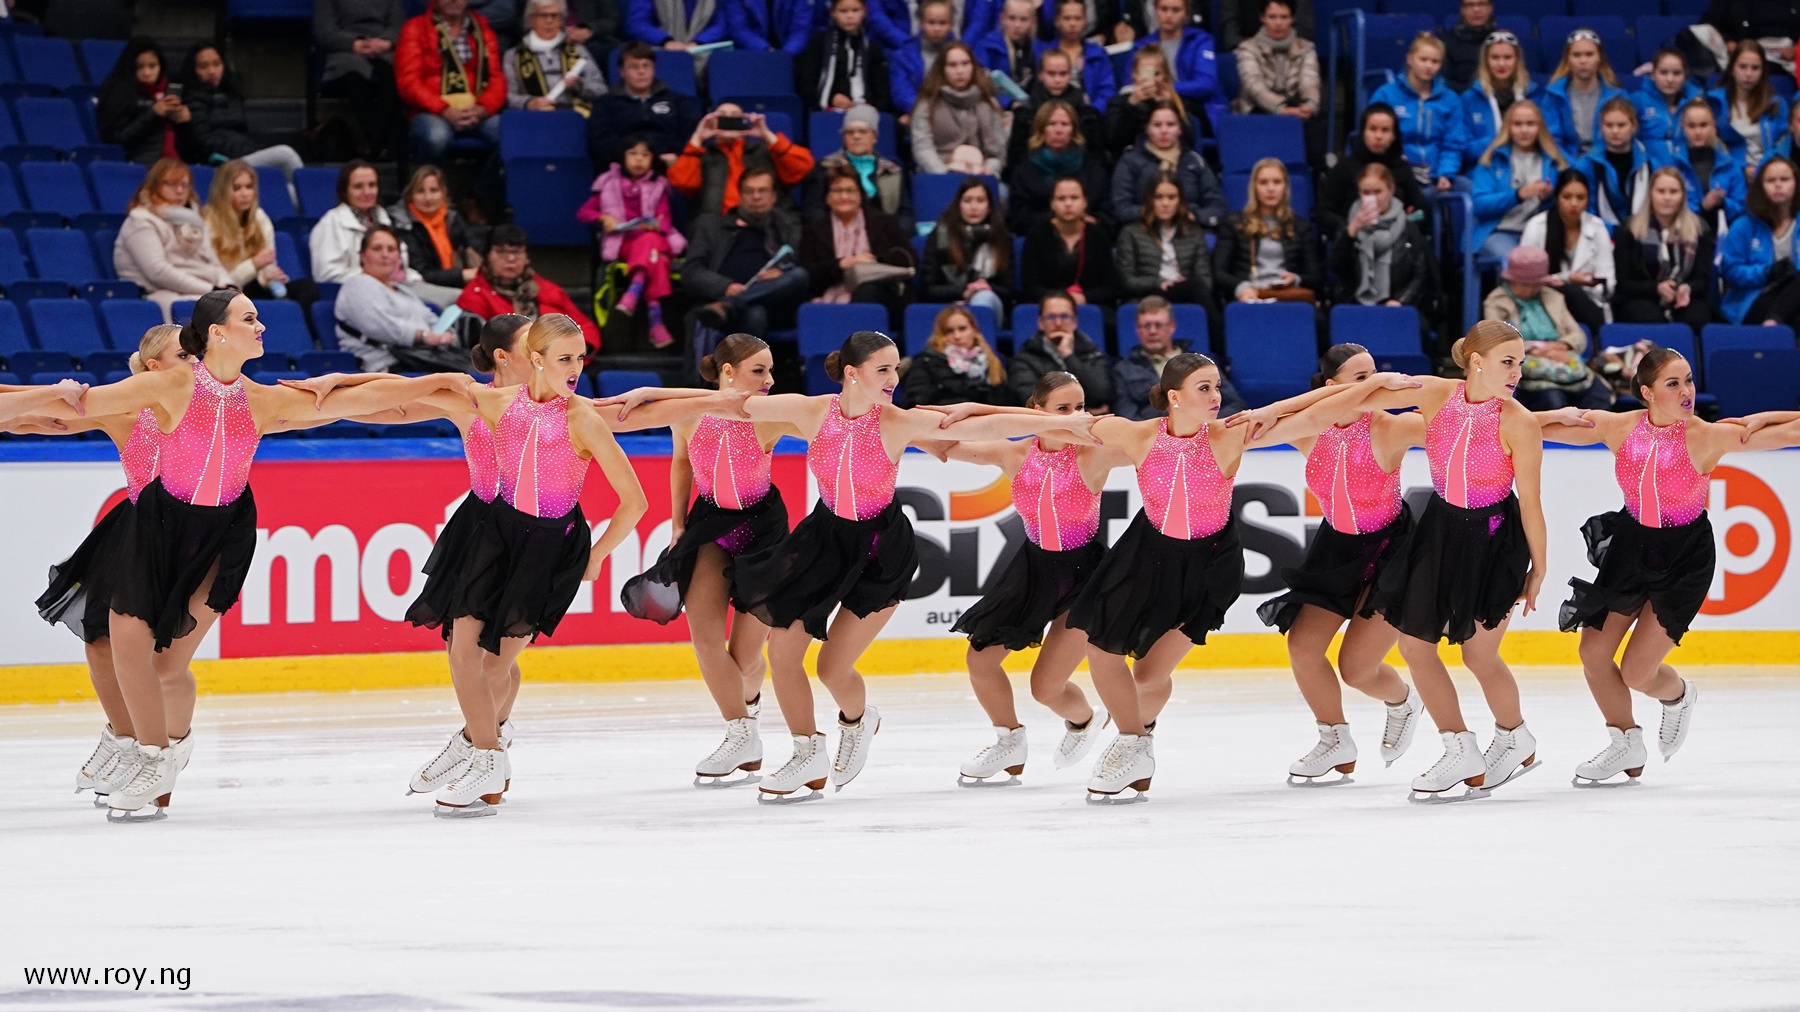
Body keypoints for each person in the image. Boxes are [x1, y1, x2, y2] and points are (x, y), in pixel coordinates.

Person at [59, 291, 470, 819]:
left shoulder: (261, 399)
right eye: (249, 319)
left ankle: (161, 752)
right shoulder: (172, 384)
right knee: (122, 642)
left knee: (166, 663)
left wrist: (438, 382)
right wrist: (60, 393)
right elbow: (77, 406)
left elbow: (361, 404)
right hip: (154, 529)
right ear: (217, 332)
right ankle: (150, 754)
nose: (262, 327)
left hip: (221, 538)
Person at [729, 331, 1095, 799]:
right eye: (883, 369)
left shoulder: (899, 421)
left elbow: (988, 429)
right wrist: (650, 395)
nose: (893, 379)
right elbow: (730, 403)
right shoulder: (811, 410)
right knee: (782, 651)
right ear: (852, 373)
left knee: (832, 668)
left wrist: (1056, 421)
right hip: (823, 541)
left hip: (880, 551)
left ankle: (857, 722)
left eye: (896, 368)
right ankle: (807, 752)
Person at [410, 314, 648, 815]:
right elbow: (407, 394)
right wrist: (334, 383)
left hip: (550, 549)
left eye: (580, 357)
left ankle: (477, 745)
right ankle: (486, 754)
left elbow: (634, 502)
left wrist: (597, 556)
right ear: (536, 360)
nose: (576, 368)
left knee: (494, 663)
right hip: (496, 534)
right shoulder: (498, 402)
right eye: (565, 358)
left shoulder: (584, 418)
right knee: (462, 651)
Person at [1549, 355, 1800, 784]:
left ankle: (1679, 696)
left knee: (1637, 672)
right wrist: (1529, 415)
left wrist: (1768, 415)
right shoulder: (1618, 427)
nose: (1686, 392)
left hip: (1684, 558)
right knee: (1592, 653)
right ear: (1646, 392)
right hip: (1630, 547)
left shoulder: (1706, 436)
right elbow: (1527, 427)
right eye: (1672, 383)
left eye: (1688, 381)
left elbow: (1793, 432)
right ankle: (1625, 742)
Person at [1351, 322, 1551, 801]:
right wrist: (1274, 412)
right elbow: (1353, 399)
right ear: (1476, 361)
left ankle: (1515, 737)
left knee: (1478, 654)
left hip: (1495, 539)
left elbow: (1531, 502)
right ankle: (1459, 746)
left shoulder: (1519, 421)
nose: (1517, 372)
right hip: (1440, 530)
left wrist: (1540, 568)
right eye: (1508, 362)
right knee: (1413, 644)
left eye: (1521, 363)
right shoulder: (1435, 394)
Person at [1226, 348, 1429, 782]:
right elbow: (1241, 437)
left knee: (1357, 670)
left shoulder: (1391, 427)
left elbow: (1472, 427)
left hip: (1391, 551)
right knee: (1302, 646)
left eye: (1375, 375)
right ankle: (1335, 740)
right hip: (1337, 549)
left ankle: (1403, 701)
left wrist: (1541, 420)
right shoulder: (1310, 430)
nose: (1374, 385)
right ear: (1332, 387)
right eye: (1361, 378)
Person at [1066, 353, 1248, 801]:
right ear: (1174, 397)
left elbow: (1310, 415)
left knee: (1148, 675)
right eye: (1204, 387)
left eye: (1217, 386)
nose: (1216, 396)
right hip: (1148, 554)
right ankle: (1134, 743)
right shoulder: (1138, 434)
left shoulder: (1228, 435)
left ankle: (1138, 734)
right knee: (1100, 648)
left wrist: (1364, 389)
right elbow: (1058, 423)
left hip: (1211, 566)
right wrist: (974, 409)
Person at [932, 372, 1124, 784]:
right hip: (1033, 571)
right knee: (980, 660)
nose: (1076, 417)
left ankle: (1085, 719)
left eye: (1080, 407)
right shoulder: (1014, 454)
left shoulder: (1094, 454)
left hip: (1087, 577)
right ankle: (1009, 741)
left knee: (1045, 688)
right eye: (1063, 409)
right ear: (1035, 412)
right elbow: (944, 441)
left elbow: (1152, 442)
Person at [577, 136, 686, 348]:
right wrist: (603, 217)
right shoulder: (608, 183)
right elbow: (583, 213)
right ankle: (656, 322)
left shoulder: (659, 185)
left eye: (645, 155)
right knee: (659, 261)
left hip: (656, 240)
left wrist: (657, 226)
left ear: (652, 159)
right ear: (623, 157)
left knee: (650, 239)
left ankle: (633, 293)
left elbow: (665, 220)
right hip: (625, 244)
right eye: (633, 154)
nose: (639, 159)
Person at [310, 160, 465, 307]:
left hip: (400, 285)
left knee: (463, 298)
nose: (367, 192)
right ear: (345, 191)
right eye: (358, 187)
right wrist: (374, 277)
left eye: (372, 185)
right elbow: (326, 274)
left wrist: (415, 278)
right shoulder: (330, 223)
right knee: (456, 301)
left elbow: (400, 264)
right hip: (364, 294)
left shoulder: (382, 217)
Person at [681, 168, 811, 338]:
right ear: (740, 196)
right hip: (725, 311)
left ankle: (728, 305)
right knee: (756, 313)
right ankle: (732, 307)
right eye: (749, 191)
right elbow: (691, 272)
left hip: (775, 305)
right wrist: (725, 286)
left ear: (773, 196)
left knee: (799, 275)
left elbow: (803, 264)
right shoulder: (711, 227)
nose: (756, 197)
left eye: (762, 191)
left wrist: (780, 274)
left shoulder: (787, 228)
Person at [1481, 246, 1610, 411]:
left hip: (1561, 356)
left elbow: (1577, 334)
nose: (1531, 288)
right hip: (1524, 362)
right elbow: (1496, 341)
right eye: (1525, 283)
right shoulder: (1496, 302)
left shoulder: (1553, 297)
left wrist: (1563, 345)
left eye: (1536, 284)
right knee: (1553, 399)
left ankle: (1592, 429)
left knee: (1598, 393)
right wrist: (1536, 350)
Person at [338, 227, 474, 372]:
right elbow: (380, 326)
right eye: (377, 248)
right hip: (387, 366)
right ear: (363, 255)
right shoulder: (357, 285)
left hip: (425, 358)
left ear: (398, 257)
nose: (385, 255)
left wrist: (447, 335)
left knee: (480, 372)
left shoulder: (403, 291)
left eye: (391, 249)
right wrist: (423, 336)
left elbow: (430, 319)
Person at [178, 44, 304, 198]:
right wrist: (247, 151)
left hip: (241, 157)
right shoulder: (192, 100)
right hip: (220, 165)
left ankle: (311, 207)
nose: (211, 71)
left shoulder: (231, 94)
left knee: (289, 189)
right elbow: (204, 141)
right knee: (285, 154)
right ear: (193, 70)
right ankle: (313, 198)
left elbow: (240, 134)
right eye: (204, 66)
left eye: (216, 64)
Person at [115, 160, 234, 321]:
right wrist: (210, 290)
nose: (179, 191)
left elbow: (214, 263)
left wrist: (229, 287)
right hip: (164, 294)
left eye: (185, 185)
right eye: (172, 184)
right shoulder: (140, 220)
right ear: (155, 185)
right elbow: (157, 271)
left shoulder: (194, 220)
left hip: (204, 292)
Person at [457, 224, 603, 351]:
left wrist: (570, 351)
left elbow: (585, 329)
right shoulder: (474, 294)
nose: (511, 259)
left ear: (527, 257)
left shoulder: (546, 289)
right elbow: (479, 346)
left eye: (517, 252)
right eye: (501, 252)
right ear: (487, 256)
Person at [800, 163, 915, 325]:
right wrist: (841, 264)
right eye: (837, 191)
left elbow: (910, 260)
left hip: (885, 295)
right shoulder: (814, 230)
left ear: (860, 195)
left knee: (868, 290)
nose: (844, 197)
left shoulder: (885, 223)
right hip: (831, 294)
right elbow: (807, 274)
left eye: (850, 190)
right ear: (827, 197)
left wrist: (873, 261)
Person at [396, 0, 507, 165]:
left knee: (510, 134)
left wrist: (483, 108)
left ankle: (482, 182)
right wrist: (444, 110)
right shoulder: (415, 28)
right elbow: (408, 82)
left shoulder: (483, 30)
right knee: (437, 137)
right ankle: (427, 180)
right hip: (431, 112)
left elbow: (496, 78)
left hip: (476, 111)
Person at [1613, 166, 1718, 333]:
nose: (1667, 198)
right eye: (1661, 191)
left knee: (1696, 318)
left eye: (1673, 192)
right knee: (1650, 319)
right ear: (1650, 194)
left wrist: (1686, 288)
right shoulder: (1629, 229)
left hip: (1685, 296)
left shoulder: (1700, 229)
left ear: (1682, 195)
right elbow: (1624, 283)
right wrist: (1656, 288)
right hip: (1640, 296)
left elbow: (1702, 280)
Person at [668, 103, 816, 218]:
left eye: (735, 116)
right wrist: (697, 138)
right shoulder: (699, 156)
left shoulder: (767, 151)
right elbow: (683, 183)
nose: (729, 119)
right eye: (722, 116)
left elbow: (803, 168)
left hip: (767, 224)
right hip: (718, 230)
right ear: (712, 122)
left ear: (744, 122)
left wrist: (768, 136)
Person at [201, 160, 317, 307]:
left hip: (256, 286)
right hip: (224, 291)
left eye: (249, 187)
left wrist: (272, 277)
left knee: (307, 288)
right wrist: (254, 264)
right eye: (236, 188)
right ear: (223, 191)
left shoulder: (259, 217)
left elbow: (268, 265)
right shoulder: (208, 223)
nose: (245, 194)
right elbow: (219, 282)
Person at [1111, 294, 1246, 420]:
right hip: (1153, 434)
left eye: (1158, 325)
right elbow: (1127, 417)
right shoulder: (1123, 370)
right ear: (1137, 329)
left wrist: (1204, 425)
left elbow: (1234, 404)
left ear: (1172, 326)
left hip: (1206, 431)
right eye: (1146, 326)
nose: (1152, 331)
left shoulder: (1201, 362)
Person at [1329, 163, 1435, 317]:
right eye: (1366, 192)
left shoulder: (1407, 228)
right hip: (1356, 306)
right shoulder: (1349, 226)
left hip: (1398, 305)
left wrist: (1401, 301)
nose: (1372, 198)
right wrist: (1351, 231)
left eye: (1377, 192)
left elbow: (1420, 274)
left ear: (1391, 190)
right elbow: (1336, 267)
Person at [1214, 157, 1324, 305]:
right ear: (1254, 187)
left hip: (1287, 297)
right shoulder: (1234, 223)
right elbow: (1219, 272)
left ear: (1285, 187)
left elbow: (1316, 276)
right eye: (1263, 182)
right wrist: (1242, 287)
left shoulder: (1300, 226)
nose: (1271, 189)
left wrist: (1295, 279)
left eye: (1277, 182)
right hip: (1250, 296)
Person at [1469, 100, 1567, 261]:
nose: (1524, 130)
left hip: (1540, 233)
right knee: (1519, 263)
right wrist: (1517, 195)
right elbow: (1479, 205)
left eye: (1530, 124)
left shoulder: (1554, 162)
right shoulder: (1492, 160)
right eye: (1517, 124)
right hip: (1498, 232)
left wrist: (1548, 199)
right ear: (1508, 127)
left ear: (1540, 127)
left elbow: (1565, 205)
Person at [1369, 33, 1467, 192]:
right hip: (1396, 171)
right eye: (1423, 59)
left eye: (1435, 61)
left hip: (1435, 173)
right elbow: (1373, 135)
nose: (1429, 66)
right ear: (1410, 59)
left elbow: (1453, 144)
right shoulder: (1386, 94)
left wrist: (1445, 174)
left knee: (1470, 189)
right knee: (1422, 194)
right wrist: (1393, 159)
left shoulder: (1450, 100)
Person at [1520, 169, 1614, 335]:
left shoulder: (1598, 227)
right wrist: (1568, 279)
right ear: (1557, 197)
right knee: (1571, 292)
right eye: (1567, 197)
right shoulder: (1536, 226)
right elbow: (1524, 278)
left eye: (1580, 198)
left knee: (1576, 295)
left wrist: (1591, 284)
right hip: (1543, 300)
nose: (1574, 203)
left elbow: (1609, 281)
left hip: (1590, 301)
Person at [1317, 102, 1427, 241]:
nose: (1378, 136)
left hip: (1396, 241)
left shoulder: (1402, 168)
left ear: (1394, 135)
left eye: (1385, 130)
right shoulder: (1345, 167)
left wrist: (1408, 221)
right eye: (1373, 129)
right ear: (1363, 132)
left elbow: (1419, 210)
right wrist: (1348, 227)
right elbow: (1322, 212)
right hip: (1354, 241)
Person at [1231, 0, 1322, 166]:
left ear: (1292, 19)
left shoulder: (1306, 47)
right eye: (1272, 17)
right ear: (1262, 18)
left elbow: (1310, 80)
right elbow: (1254, 86)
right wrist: (1281, 108)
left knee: (1312, 120)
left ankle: (1316, 172)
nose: (1278, 23)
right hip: (1256, 108)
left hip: (1294, 106)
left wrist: (1309, 105)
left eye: (1284, 17)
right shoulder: (1247, 48)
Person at [585, 41, 702, 168]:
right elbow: (600, 144)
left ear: (653, 69)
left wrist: (675, 158)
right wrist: (633, 158)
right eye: (634, 67)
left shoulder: (678, 102)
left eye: (646, 66)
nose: (641, 72)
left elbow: (691, 137)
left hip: (669, 167)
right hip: (623, 169)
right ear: (622, 71)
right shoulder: (605, 104)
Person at [1111, 102, 1225, 229]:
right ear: (1147, 128)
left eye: (1170, 124)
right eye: (1157, 125)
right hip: (1145, 229)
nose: (1164, 131)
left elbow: (1217, 205)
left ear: (1180, 129)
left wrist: (1194, 216)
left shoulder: (1195, 161)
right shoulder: (1130, 161)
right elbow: (1121, 208)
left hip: (1189, 228)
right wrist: (1156, 214)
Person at [316, 0, 406, 160]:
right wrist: (354, 43)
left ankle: (375, 145)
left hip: (383, 48)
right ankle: (376, 144)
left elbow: (398, 24)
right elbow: (324, 31)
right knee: (354, 77)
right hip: (346, 50)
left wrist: (387, 41)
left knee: (395, 77)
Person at [802, 104, 912, 232]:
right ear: (844, 137)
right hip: (835, 237)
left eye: (863, 131)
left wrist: (891, 235)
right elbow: (814, 210)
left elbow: (906, 215)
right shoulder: (825, 167)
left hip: (884, 238)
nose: (856, 136)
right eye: (850, 132)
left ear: (874, 137)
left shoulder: (892, 171)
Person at [918, 176, 1013, 321]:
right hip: (948, 307)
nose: (974, 207)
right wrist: (964, 292)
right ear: (958, 205)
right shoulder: (940, 235)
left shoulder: (1001, 238)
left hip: (990, 306)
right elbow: (928, 289)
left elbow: (1009, 291)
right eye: (967, 201)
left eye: (980, 200)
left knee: (983, 297)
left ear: (989, 207)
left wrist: (986, 287)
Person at [1007, 101, 1111, 233]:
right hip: (1039, 235)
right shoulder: (1024, 170)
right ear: (1041, 130)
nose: (1059, 130)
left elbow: (1106, 212)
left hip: (1086, 235)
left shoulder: (1093, 169)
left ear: (1073, 130)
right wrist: (1056, 222)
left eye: (1065, 124)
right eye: (1051, 124)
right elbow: (1019, 217)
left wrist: (1092, 222)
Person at [1720, 155, 1800, 325]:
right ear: (1760, 186)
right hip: (1755, 297)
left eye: (1784, 179)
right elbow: (1730, 271)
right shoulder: (1743, 225)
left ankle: (1774, 321)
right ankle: (1774, 320)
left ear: (1796, 184)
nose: (1778, 185)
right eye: (1771, 180)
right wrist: (1766, 272)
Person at [1116, 171, 1214, 307]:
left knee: (1197, 288)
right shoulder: (1130, 233)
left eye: (1171, 197)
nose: (1165, 203)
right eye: (1158, 197)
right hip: (1147, 296)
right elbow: (1127, 281)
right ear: (1149, 199)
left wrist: (1180, 284)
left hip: (1185, 294)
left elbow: (1206, 281)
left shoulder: (1194, 233)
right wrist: (1159, 283)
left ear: (1180, 201)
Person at [1018, 176, 1118, 306]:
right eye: (1061, 198)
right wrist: (1062, 300)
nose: (1068, 204)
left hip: (1088, 305)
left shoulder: (1098, 235)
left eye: (1074, 198)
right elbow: (1031, 286)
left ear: (1085, 202)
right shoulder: (1037, 235)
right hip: (1048, 307)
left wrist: (1084, 298)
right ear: (1052, 204)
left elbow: (1110, 287)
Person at [911, 42, 1007, 177]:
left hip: (982, 175)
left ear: (973, 66)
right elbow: (923, 148)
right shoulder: (927, 105)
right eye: (952, 65)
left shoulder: (989, 103)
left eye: (965, 63)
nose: (960, 71)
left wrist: (987, 171)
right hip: (939, 175)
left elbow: (998, 152)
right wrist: (946, 174)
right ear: (942, 69)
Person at [95, 39, 195, 167]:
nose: (147, 73)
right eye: (140, 67)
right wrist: (153, 114)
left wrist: (185, 122)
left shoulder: (171, 91)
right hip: (142, 164)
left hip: (177, 163)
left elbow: (190, 146)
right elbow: (118, 138)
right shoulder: (119, 93)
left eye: (152, 66)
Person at [1008, 290, 1115, 410]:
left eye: (1064, 316)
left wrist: (1068, 355)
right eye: (1051, 317)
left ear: (1074, 322)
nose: (1058, 323)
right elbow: (1032, 401)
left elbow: (1100, 395)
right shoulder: (1024, 359)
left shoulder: (1092, 352)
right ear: (1041, 323)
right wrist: (1083, 411)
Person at [388, 165, 479, 299]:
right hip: (421, 290)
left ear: (443, 192)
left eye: (434, 190)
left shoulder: (452, 218)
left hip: (457, 284)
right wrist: (464, 275)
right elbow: (423, 273)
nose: (428, 197)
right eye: (420, 191)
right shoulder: (403, 225)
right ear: (410, 195)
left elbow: (476, 248)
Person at [504, 0, 608, 113]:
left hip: (576, 115)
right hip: (536, 117)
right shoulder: (513, 55)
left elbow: (601, 90)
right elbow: (509, 96)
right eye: (543, 15)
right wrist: (528, 103)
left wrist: (579, 86)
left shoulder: (579, 50)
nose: (549, 20)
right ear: (531, 19)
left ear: (561, 20)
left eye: (554, 15)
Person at [1007, 48, 1103, 170]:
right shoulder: (1025, 113)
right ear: (1040, 75)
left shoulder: (1087, 113)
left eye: (1063, 74)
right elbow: (1017, 157)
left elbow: (1096, 156)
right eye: (1051, 74)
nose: (1058, 80)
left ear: (1070, 74)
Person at [1540, 28, 1627, 161]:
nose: (1583, 61)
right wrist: (1572, 166)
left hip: (1607, 160)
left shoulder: (1617, 95)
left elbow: (1625, 137)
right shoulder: (1553, 95)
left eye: (1589, 54)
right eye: (1577, 55)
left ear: (1599, 58)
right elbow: (1551, 139)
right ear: (1568, 59)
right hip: (1566, 162)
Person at [795, 0, 893, 113]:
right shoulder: (819, 43)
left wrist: (871, 106)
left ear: (864, 12)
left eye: (855, 10)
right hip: (826, 111)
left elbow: (881, 91)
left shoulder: (872, 49)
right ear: (832, 13)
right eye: (843, 11)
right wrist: (832, 98)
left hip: (865, 112)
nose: (850, 16)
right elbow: (805, 83)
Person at [1459, 30, 1538, 169]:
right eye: (1495, 58)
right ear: (1486, 61)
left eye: (1507, 57)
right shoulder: (1469, 99)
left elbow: (1545, 141)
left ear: (1517, 60)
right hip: (1484, 169)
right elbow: (1464, 150)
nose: (1501, 64)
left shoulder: (1533, 96)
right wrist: (1501, 140)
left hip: (1526, 168)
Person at [1669, 97, 1749, 235]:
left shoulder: (1730, 164)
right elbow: (1669, 206)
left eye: (1703, 125)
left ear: (1713, 126)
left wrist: (1722, 203)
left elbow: (1741, 207)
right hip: (1684, 234)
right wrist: (1703, 206)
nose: (1698, 132)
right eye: (1691, 126)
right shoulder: (1673, 165)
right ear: (1683, 127)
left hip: (1724, 235)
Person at [1708, 38, 1788, 174]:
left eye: (1755, 68)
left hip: (1769, 173)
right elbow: (1714, 146)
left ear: (1763, 71)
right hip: (1730, 173)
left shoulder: (1776, 104)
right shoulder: (1715, 103)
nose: (1749, 73)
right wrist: (1742, 168)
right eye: (1743, 66)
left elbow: (1782, 145)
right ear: (1732, 68)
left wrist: (1761, 170)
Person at [1134, 0, 1221, 123]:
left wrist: (1168, 88)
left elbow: (1206, 84)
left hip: (1194, 108)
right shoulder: (1143, 46)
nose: (1169, 15)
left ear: (1186, 14)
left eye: (1176, 10)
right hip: (1152, 108)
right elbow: (1132, 83)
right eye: (1164, 9)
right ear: (1155, 10)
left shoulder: (1200, 41)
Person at [903, 304, 1009, 405]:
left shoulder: (993, 361)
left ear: (974, 330)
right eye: (949, 331)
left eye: (962, 329)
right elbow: (916, 401)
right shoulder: (925, 362)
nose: (957, 336)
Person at [1104, 46, 1194, 162]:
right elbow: (1112, 141)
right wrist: (1131, 105)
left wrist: (1169, 106)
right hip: (1132, 163)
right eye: (1145, 73)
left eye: (1157, 74)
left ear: (1165, 75)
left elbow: (1190, 140)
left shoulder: (1178, 103)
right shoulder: (1119, 103)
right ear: (1134, 73)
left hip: (1171, 162)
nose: (1151, 79)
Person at [1579, 97, 1656, 231]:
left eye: (1621, 125)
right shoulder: (1586, 165)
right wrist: (1612, 232)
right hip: (1599, 233)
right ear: (1601, 127)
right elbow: (1586, 207)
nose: (1615, 131)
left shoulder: (1650, 164)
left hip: (1641, 232)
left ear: (1633, 126)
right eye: (1609, 125)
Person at [888, 0, 960, 119]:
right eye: (931, 22)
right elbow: (902, 94)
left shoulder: (962, 54)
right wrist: (925, 111)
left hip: (956, 113)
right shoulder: (903, 56)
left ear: (951, 24)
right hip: (919, 113)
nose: (937, 28)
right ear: (921, 23)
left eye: (942, 23)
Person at [1041, 0, 1119, 110]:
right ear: (1057, 21)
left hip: (1090, 114)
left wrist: (1093, 111)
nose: (1072, 24)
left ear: (1085, 20)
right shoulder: (1043, 53)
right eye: (1067, 18)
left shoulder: (1098, 54)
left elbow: (1107, 90)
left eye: (1077, 18)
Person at [1634, 48, 1705, 160]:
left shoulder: (1696, 101)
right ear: (1653, 75)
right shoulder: (1638, 100)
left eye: (1677, 73)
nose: (1670, 79)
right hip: (1650, 165)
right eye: (1663, 73)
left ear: (1685, 76)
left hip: (1687, 164)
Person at [974, 0, 1040, 98]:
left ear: (1033, 21)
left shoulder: (1040, 49)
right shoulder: (987, 47)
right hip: (998, 103)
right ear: (1002, 18)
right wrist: (1009, 103)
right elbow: (983, 84)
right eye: (1012, 18)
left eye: (1024, 19)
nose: (1017, 25)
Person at [1436, 0, 1498, 93]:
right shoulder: (1446, 42)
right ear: (1462, 9)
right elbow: (1443, 83)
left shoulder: (1502, 42)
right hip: (1457, 98)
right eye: (1470, 5)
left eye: (1482, 4)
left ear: (1490, 8)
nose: (1476, 10)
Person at [624, 0, 726, 50]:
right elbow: (637, 24)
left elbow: (722, 24)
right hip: (663, 52)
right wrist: (666, 41)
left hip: (704, 52)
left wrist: (699, 42)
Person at [1218, 0, 1314, 52]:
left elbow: (1304, 29)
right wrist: (1248, 48)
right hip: (1248, 50)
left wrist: (1279, 48)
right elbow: (1230, 32)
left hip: (1288, 49)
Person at [726, 0, 812, 56]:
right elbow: (738, 29)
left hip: (792, 54)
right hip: (752, 53)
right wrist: (765, 50)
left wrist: (784, 56)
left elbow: (800, 29)